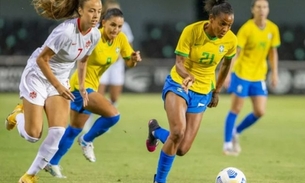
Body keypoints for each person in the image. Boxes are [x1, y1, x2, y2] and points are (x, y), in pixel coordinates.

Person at [4, 0, 102, 182]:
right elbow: (42, 60)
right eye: (91, 11)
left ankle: (29, 176)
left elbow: (83, 60)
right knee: (33, 135)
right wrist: (58, 86)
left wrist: (82, 86)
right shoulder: (65, 32)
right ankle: (17, 116)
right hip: (38, 75)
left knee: (58, 132)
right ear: (80, 11)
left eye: (98, 11)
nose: (96, 15)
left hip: (60, 81)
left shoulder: (95, 35)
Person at [44, 7, 142, 178]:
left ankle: (52, 162)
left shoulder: (120, 39)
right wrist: (82, 87)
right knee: (113, 115)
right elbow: (80, 61)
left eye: (119, 26)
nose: (116, 30)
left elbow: (128, 63)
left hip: (89, 87)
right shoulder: (93, 36)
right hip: (80, 87)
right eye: (112, 25)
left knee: (74, 129)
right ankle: (87, 140)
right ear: (103, 23)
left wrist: (134, 60)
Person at [145, 0, 237, 182]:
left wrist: (216, 91)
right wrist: (187, 75)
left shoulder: (231, 40)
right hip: (179, 83)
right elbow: (179, 62)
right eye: (222, 24)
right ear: (211, 19)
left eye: (229, 25)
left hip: (203, 91)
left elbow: (226, 65)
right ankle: (159, 180)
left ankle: (155, 130)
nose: (226, 29)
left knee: (181, 149)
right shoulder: (191, 31)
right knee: (178, 131)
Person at [223, 0, 280, 156]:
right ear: (253, 10)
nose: (262, 10)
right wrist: (228, 73)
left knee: (260, 111)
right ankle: (227, 144)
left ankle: (236, 131)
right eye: (259, 7)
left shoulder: (272, 29)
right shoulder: (247, 28)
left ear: (268, 10)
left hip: (258, 75)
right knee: (236, 109)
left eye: (265, 7)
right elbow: (236, 52)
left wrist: (274, 73)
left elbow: (273, 52)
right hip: (242, 73)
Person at [83, 0, 134, 132]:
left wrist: (130, 57)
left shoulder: (125, 28)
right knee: (97, 95)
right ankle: (90, 121)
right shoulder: (97, 32)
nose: (116, 28)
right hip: (100, 65)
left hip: (117, 65)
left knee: (115, 96)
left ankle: (107, 118)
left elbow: (129, 46)